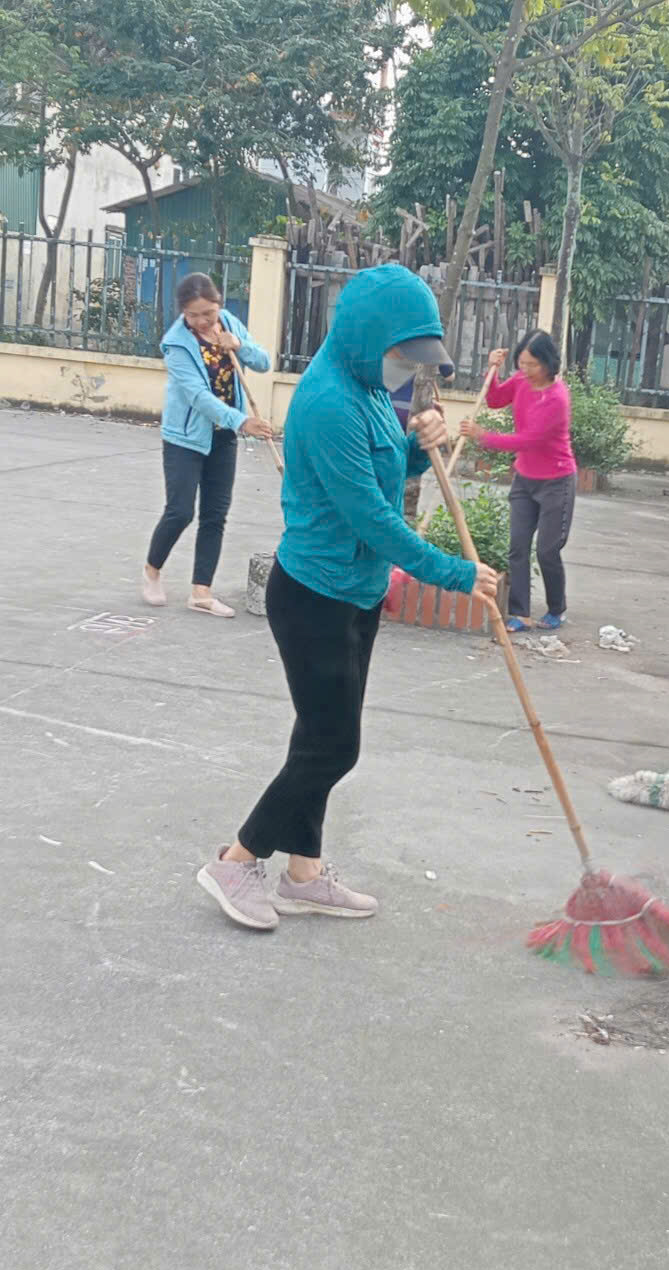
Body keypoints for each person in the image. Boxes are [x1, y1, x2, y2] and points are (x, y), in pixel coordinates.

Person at [196, 264, 498, 930]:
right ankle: (236, 860)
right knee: (334, 748)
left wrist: (422, 451)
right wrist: (454, 574)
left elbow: (386, 476)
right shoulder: (329, 401)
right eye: (398, 355)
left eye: (412, 359)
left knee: (317, 737)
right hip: (313, 597)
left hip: (356, 595)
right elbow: (370, 518)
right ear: (365, 337)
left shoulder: (363, 389)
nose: (401, 369)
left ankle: (303, 873)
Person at [143, 273, 274, 618]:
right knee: (181, 511)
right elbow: (198, 397)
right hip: (184, 439)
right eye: (193, 315)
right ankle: (152, 570)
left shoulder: (229, 322)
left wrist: (239, 345)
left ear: (219, 305)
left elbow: (263, 362)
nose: (202, 321)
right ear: (183, 312)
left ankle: (201, 592)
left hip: (222, 438)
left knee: (215, 514)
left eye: (208, 313)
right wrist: (242, 421)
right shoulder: (176, 345)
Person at [460, 329, 576, 632]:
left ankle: (556, 608)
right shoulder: (522, 381)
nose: (526, 371)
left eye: (532, 365)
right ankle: (520, 612)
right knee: (518, 546)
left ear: (549, 363)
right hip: (525, 479)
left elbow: (527, 439)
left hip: (557, 481)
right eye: (521, 364)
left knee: (548, 550)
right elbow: (497, 399)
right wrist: (493, 370)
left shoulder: (557, 398)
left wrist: (482, 436)